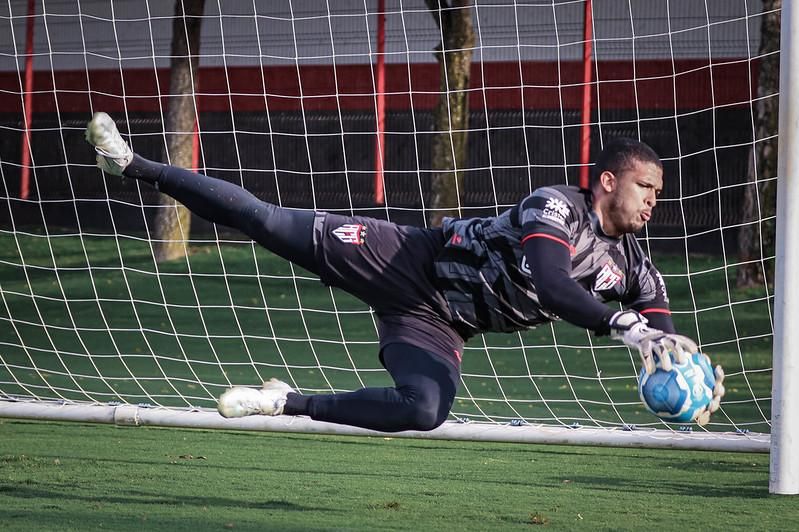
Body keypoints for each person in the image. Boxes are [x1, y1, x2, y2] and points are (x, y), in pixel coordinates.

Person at [85, 112, 724, 430]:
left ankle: (285, 401)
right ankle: (132, 163)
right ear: (609, 182)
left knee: (425, 411)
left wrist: (687, 375)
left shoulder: (638, 271)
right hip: (403, 258)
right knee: (268, 223)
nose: (652, 200)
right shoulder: (555, 206)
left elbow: (659, 332)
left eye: (659, 193)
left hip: (440, 324)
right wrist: (627, 329)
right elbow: (554, 283)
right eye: (645, 186)